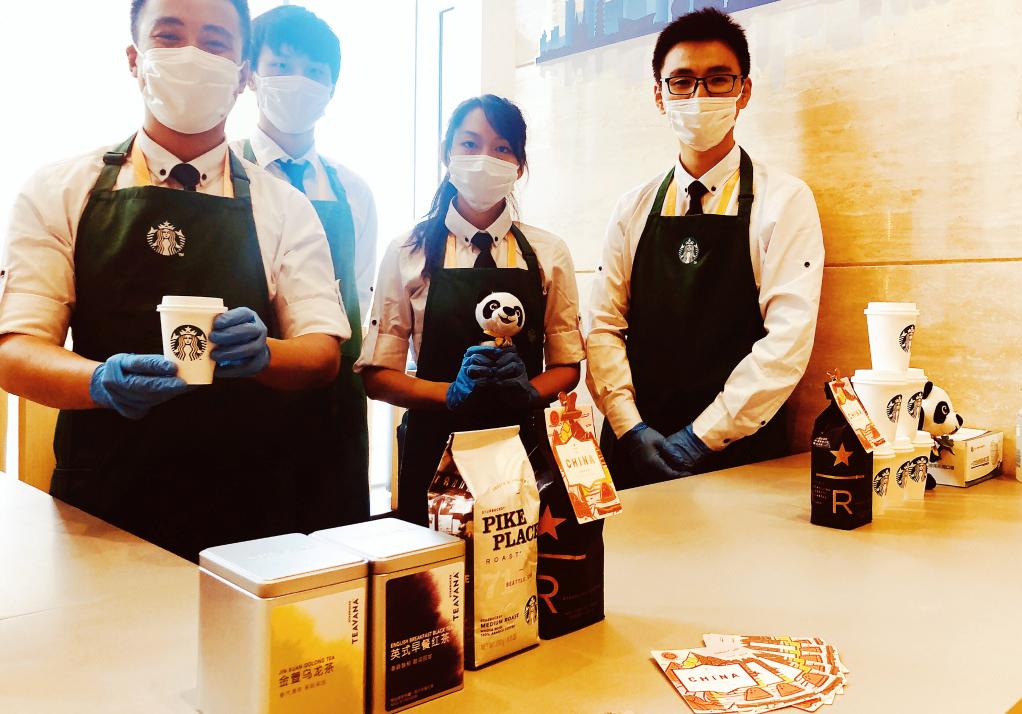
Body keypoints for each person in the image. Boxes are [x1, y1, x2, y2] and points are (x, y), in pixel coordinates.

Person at [0, 0, 350, 561]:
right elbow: (16, 351)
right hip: (102, 505)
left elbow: (322, 353)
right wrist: (98, 381)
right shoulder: (61, 190)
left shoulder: (284, 206)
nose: (192, 55)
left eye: (215, 41)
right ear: (134, 59)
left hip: (247, 509)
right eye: (169, 36)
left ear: (242, 74)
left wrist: (266, 354)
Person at [586, 8, 825, 488]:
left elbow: (786, 343)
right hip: (635, 450)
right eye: (681, 82)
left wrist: (700, 437)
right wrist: (629, 428)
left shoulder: (785, 201)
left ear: (744, 91)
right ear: (660, 96)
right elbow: (603, 327)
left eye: (718, 80)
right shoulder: (632, 207)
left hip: (740, 456)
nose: (699, 96)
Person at [357, 95, 585, 525]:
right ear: (447, 154)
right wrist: (449, 394)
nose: (484, 158)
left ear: (519, 166)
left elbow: (567, 366)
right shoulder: (407, 252)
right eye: (469, 144)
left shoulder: (548, 253)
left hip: (520, 449)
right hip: (432, 447)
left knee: (516, 562)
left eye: (502, 148)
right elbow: (377, 377)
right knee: (437, 567)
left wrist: (530, 392)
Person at [234, 5, 377, 527]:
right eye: (281, 65)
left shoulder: (352, 190)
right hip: (243, 396)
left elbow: (359, 289)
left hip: (333, 405)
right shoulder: (224, 172)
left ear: (331, 89)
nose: (298, 81)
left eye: (314, 72)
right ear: (250, 75)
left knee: (335, 548)